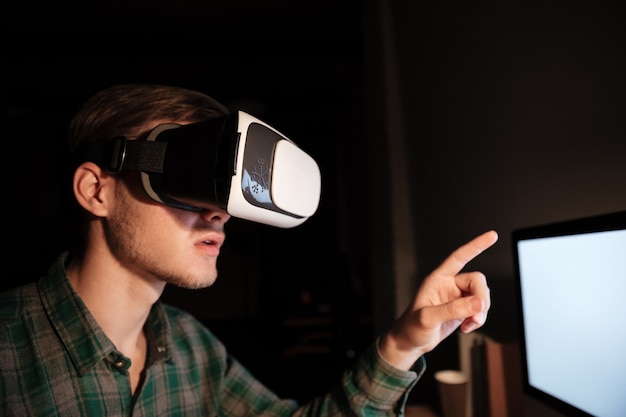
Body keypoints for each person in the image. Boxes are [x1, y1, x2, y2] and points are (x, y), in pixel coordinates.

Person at [0, 83, 498, 416]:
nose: (220, 212)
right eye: (186, 176)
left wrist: (405, 342)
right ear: (96, 190)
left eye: (220, 189)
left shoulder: (191, 350)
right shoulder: (8, 354)